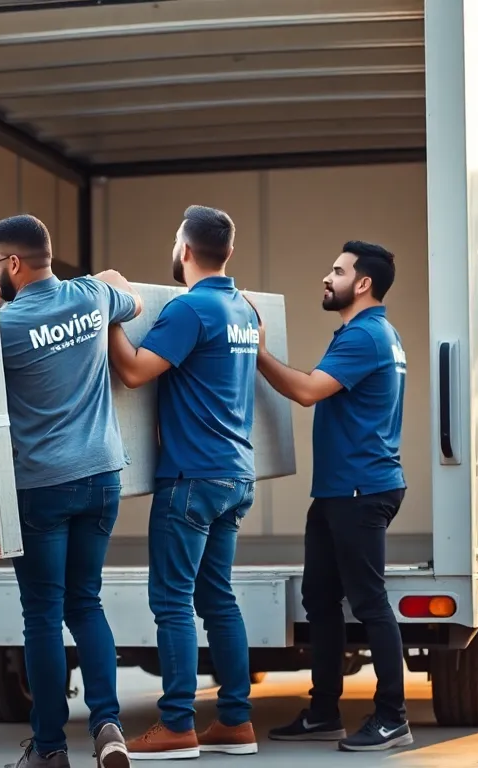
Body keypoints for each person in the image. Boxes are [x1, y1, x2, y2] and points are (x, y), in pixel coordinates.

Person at [0, 214, 143, 768]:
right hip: (102, 477)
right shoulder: (92, 296)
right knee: (86, 603)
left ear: (12, 263)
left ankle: (49, 748)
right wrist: (105, 281)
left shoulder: (1, 328)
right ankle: (108, 726)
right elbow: (134, 300)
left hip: (41, 486)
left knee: (44, 616)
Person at [107, 205, 261, 761]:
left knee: (172, 600)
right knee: (218, 598)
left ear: (186, 250)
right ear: (229, 252)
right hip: (235, 474)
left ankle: (176, 725)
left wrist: (109, 310)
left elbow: (132, 371)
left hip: (192, 477)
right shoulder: (243, 309)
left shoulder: (189, 309)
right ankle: (236, 721)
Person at [250, 240, 412, 752]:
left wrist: (257, 353)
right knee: (320, 599)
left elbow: (306, 391)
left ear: (363, 283)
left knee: (369, 602)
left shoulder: (366, 336)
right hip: (341, 490)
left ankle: (392, 718)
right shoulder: (370, 333)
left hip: (360, 490)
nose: (327, 277)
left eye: (338, 271)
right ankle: (324, 712)